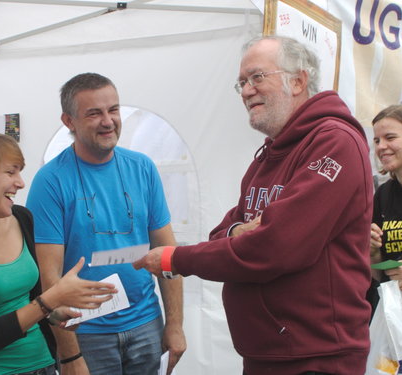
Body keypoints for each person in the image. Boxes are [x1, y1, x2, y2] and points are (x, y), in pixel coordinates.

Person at [134, 35, 373, 375]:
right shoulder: (268, 155)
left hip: (316, 356)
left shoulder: (335, 142)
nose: (246, 91)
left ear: (298, 80)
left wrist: (176, 257)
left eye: (257, 77)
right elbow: (223, 231)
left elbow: (276, 246)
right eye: (242, 82)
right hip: (270, 351)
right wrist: (241, 232)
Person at [26, 73, 186, 375]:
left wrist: (175, 325)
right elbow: (50, 281)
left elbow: (168, 253)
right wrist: (70, 355)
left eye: (113, 110)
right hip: (86, 334)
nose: (108, 121)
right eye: (94, 113)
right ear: (69, 121)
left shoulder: (142, 168)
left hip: (146, 325)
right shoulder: (51, 181)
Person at [0, 127, 117, 375]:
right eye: (10, 172)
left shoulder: (21, 218)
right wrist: (49, 302)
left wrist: (55, 314)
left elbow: (31, 300)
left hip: (42, 365)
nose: (21, 183)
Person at [370, 105, 402, 297]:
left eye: (390, 138)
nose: (381, 146)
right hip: (394, 313)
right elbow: (377, 277)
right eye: (377, 140)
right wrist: (373, 252)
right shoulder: (383, 194)